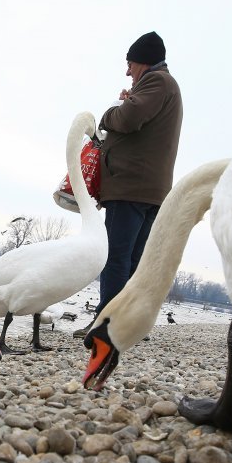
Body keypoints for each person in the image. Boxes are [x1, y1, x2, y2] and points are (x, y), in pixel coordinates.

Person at [74, 31, 183, 337]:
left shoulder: (158, 81)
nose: (127, 72)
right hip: (150, 190)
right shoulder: (163, 86)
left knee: (117, 257)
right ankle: (131, 322)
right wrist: (130, 102)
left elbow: (130, 118)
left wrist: (110, 114)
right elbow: (140, 116)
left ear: (143, 62)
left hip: (132, 187)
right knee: (134, 260)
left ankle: (107, 323)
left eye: (130, 64)